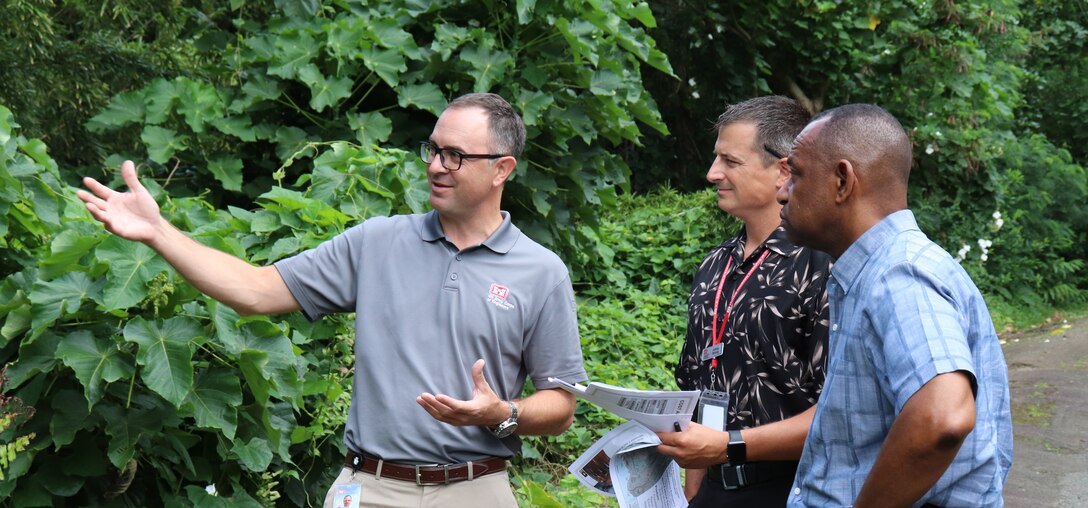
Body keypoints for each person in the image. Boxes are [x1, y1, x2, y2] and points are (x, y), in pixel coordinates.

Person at [77, 93, 588, 508]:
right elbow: (255, 291)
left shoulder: (539, 272)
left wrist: (500, 413)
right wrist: (158, 232)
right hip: (371, 489)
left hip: (478, 490)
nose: (436, 165)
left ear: (502, 169)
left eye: (455, 155)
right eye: (431, 149)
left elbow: (560, 404)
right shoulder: (378, 242)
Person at [776, 103, 1013, 507]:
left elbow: (942, 418)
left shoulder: (899, 275)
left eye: (796, 174)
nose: (782, 191)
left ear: (842, 181)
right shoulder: (876, 272)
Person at [655, 96, 832, 506]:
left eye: (730, 161)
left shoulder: (822, 264)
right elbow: (699, 387)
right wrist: (696, 483)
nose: (712, 173)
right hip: (715, 487)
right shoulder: (714, 264)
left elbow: (837, 409)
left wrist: (730, 445)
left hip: (792, 489)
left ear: (782, 171)